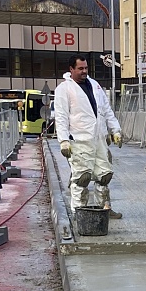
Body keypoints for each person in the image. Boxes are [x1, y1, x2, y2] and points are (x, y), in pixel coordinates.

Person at [54, 55, 123, 216]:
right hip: (79, 141)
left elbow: (106, 110)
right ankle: (79, 213)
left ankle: (104, 209)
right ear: (71, 69)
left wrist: (115, 130)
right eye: (80, 68)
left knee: (104, 175)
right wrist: (64, 140)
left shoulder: (94, 85)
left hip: (99, 139)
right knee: (82, 178)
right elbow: (61, 116)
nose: (84, 71)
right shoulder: (64, 89)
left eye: (86, 68)